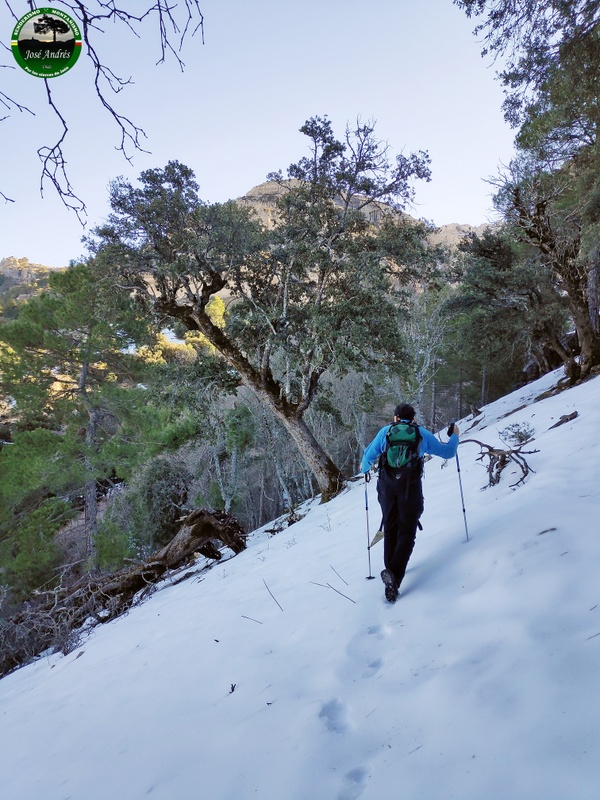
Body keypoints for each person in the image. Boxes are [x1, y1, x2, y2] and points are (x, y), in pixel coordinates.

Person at [360, 403, 459, 603]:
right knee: (407, 531)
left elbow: (367, 458)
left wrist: (365, 472)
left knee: (390, 528)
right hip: (410, 488)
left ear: (396, 417)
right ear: (413, 418)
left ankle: (391, 573)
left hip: (386, 487)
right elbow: (448, 452)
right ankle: (394, 578)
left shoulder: (385, 432)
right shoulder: (420, 434)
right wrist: (455, 434)